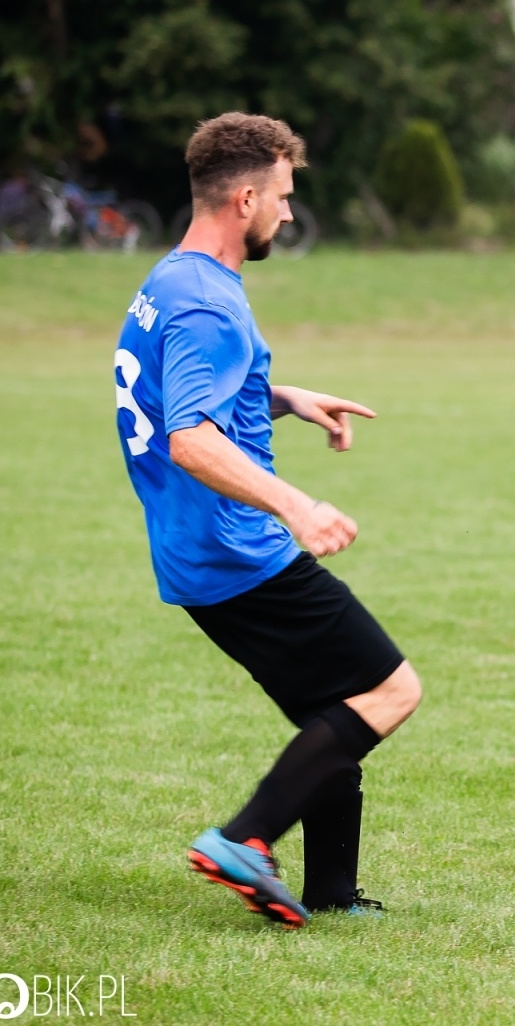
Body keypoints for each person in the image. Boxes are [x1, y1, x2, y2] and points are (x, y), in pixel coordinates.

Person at [113, 112, 421, 926]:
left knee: (338, 712)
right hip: (235, 550)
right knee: (391, 690)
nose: (288, 213)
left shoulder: (171, 281)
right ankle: (245, 840)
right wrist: (299, 504)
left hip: (195, 553)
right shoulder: (209, 304)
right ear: (244, 196)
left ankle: (332, 894)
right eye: (282, 198)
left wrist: (280, 398)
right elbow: (188, 436)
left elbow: (189, 398)